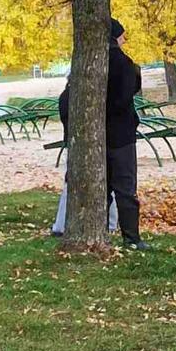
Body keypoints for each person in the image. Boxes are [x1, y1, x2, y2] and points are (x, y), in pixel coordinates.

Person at [56, 19, 149, 249]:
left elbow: (65, 99)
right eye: (122, 35)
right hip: (121, 137)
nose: (125, 39)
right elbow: (127, 93)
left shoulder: (86, 63)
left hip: (94, 139)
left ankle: (96, 233)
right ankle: (131, 238)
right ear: (114, 37)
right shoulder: (123, 64)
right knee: (125, 188)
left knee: (101, 190)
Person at [51, 77, 118, 236]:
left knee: (72, 184)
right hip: (91, 144)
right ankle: (110, 223)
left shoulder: (66, 96)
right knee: (106, 182)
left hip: (75, 144)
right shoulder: (84, 97)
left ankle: (61, 225)